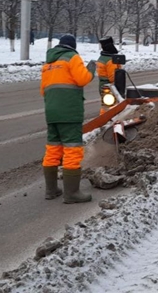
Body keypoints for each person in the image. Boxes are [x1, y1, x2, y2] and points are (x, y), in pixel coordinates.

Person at [40, 34, 96, 204]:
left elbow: (43, 90)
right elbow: (82, 79)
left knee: (53, 149)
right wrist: (91, 68)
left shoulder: (48, 64)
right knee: (72, 150)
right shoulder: (72, 57)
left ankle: (51, 190)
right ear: (73, 46)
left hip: (52, 112)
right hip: (69, 111)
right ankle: (71, 193)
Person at [96, 36, 122, 115]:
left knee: (106, 105)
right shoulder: (110, 60)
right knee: (111, 106)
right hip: (110, 86)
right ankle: (105, 121)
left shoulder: (101, 58)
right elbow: (112, 77)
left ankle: (102, 119)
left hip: (102, 84)